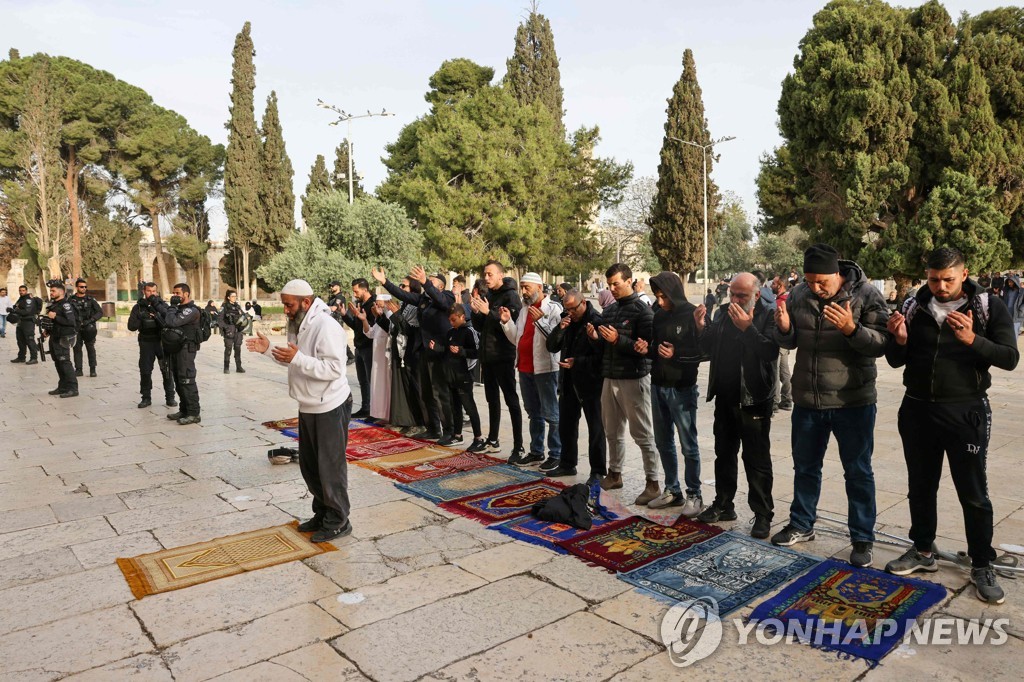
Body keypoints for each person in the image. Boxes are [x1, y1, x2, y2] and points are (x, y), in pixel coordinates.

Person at [884, 247, 1019, 604]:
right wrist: (898, 339)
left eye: (948, 279)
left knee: (973, 491)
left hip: (966, 412)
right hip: (916, 410)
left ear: (964, 274)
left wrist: (973, 339)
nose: (941, 286)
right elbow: (897, 360)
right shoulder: (914, 306)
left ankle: (981, 562)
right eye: (934, 279)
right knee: (920, 485)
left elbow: (1009, 358)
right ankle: (923, 549)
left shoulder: (988, 307)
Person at [770, 244, 890, 569]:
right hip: (809, 400)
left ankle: (862, 538)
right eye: (810, 281)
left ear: (838, 273)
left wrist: (852, 329)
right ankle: (802, 523)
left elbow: (882, 344)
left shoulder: (865, 295)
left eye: (822, 281)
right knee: (805, 467)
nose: (816, 288)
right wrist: (783, 329)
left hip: (853, 401)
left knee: (858, 471)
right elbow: (790, 341)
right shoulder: (798, 295)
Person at [246, 279, 354, 542]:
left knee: (330, 466)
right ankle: (323, 513)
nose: (285, 310)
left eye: (289, 305)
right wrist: (270, 349)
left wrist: (297, 358)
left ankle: (339, 520)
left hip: (329, 404)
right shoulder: (300, 322)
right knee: (310, 465)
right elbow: (295, 360)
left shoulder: (326, 325)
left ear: (306, 302)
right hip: (308, 405)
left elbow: (334, 369)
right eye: (284, 305)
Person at [696, 273, 779, 538]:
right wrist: (701, 328)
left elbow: (770, 351)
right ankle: (724, 504)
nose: (734, 299)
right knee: (724, 453)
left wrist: (748, 329)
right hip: (726, 396)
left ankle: (763, 514)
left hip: (754, 399)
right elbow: (708, 349)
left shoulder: (767, 314)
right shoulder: (722, 313)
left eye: (741, 295)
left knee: (756, 460)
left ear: (756, 294)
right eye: (732, 293)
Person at [588, 263, 660, 504]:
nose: (612, 289)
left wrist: (619, 340)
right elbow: (604, 348)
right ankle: (614, 473)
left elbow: (647, 351)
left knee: (642, 433)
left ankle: (652, 482)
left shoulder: (643, 312)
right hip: (610, 378)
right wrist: (596, 339)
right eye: (609, 285)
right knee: (612, 431)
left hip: (634, 379)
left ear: (629, 281)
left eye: (616, 284)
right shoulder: (609, 311)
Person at [636, 272, 705, 514]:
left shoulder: (692, 313)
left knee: (688, 445)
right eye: (657, 297)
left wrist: (676, 354)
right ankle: (672, 490)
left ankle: (694, 494)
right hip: (659, 386)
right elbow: (657, 348)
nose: (661, 301)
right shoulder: (659, 315)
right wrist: (647, 349)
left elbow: (703, 352)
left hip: (682, 388)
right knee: (663, 442)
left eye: (664, 296)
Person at [375, 266, 455, 441]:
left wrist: (426, 282)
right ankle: (433, 428)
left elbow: (442, 302)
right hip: (423, 350)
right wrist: (384, 282)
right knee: (426, 393)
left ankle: (450, 431)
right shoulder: (423, 299)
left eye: (430, 282)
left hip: (439, 351)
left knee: (440, 394)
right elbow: (403, 295)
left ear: (440, 286)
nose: (425, 283)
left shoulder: (448, 296)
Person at [500, 272, 562, 469]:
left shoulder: (553, 309)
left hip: (545, 369)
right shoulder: (525, 310)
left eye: (527, 288)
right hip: (525, 368)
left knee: (551, 413)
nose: (524, 292)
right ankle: (536, 451)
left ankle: (556, 453)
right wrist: (506, 322)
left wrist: (541, 321)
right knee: (533, 412)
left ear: (539, 288)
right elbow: (517, 339)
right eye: (522, 288)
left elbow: (556, 339)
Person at [545, 289, 606, 481]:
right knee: (567, 425)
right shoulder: (567, 320)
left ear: (584, 303)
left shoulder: (596, 321)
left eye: (573, 308)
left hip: (590, 383)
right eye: (567, 309)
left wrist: (577, 362)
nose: (570, 312)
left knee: (596, 428)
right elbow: (551, 346)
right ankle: (567, 463)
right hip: (569, 381)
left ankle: (597, 471)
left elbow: (602, 356)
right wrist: (560, 329)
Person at [470, 260, 524, 458]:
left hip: (503, 355)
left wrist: (489, 312)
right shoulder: (489, 295)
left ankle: (519, 446)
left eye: (490, 274)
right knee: (491, 399)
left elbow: (511, 324)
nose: (486, 278)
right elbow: (481, 326)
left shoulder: (511, 296)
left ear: (501, 275)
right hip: (488, 355)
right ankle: (493, 440)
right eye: (485, 274)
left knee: (511, 400)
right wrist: (477, 313)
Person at [436, 304, 485, 451]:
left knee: (469, 406)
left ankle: (479, 438)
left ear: (462, 317)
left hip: (465, 375)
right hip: (452, 375)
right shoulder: (451, 332)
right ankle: (457, 435)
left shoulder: (470, 331)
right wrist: (437, 347)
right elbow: (447, 350)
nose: (451, 323)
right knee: (455, 406)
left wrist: (462, 351)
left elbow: (477, 352)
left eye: (454, 319)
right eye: (450, 320)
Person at [154, 283, 203, 425]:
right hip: (176, 348)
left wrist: (172, 307)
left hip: (187, 348)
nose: (175, 296)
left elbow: (171, 322)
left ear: (186, 294)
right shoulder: (179, 309)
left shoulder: (191, 310)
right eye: (173, 293)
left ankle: (194, 413)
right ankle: (184, 410)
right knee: (177, 378)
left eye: (177, 293)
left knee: (186, 379)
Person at [127, 282, 176, 409]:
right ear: (144, 291)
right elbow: (131, 326)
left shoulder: (162, 305)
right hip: (146, 342)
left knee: (166, 370)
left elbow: (169, 320)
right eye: (149, 291)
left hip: (161, 342)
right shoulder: (138, 307)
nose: (152, 294)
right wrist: (141, 318)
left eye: (154, 291)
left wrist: (157, 312)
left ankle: (170, 397)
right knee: (145, 371)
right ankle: (146, 398)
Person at [342, 278, 377, 418]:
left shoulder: (373, 304)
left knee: (371, 380)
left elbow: (374, 328)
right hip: (359, 347)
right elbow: (357, 327)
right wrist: (345, 315)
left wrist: (363, 319)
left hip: (369, 347)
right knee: (363, 381)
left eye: (356, 291)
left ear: (365, 289)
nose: (355, 294)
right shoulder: (359, 303)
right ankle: (366, 407)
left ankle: (375, 410)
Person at [42, 280, 79, 398]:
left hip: (64, 338)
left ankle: (73, 388)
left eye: (53, 291)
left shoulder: (65, 305)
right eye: (50, 291)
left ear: (61, 292)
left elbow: (70, 322)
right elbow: (53, 322)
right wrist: (47, 331)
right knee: (58, 362)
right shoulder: (55, 304)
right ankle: (63, 386)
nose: (51, 293)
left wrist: (56, 316)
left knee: (65, 362)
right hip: (55, 337)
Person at [363, 295, 392, 423]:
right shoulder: (379, 319)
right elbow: (370, 333)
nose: (377, 307)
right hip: (377, 361)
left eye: (380, 305)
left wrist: (379, 317)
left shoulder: (390, 317)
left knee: (387, 387)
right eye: (377, 305)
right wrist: (364, 320)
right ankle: (382, 415)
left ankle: (390, 416)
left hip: (387, 360)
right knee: (378, 387)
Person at [68, 278, 102, 378]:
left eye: (85, 287)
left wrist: (90, 320)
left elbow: (100, 312)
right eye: (81, 287)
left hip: (89, 328)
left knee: (90, 348)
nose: (84, 288)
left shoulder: (90, 300)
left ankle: (93, 369)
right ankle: (78, 369)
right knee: (77, 348)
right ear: (77, 287)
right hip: (76, 328)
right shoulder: (71, 300)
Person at [771, 275, 793, 412]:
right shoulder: (790, 299)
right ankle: (787, 400)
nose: (771, 285)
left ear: (780, 286)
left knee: (774, 371)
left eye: (774, 283)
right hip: (785, 342)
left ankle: (774, 402)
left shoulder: (780, 303)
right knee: (784, 372)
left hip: (778, 341)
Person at [9, 285, 40, 364]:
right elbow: (16, 307)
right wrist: (12, 310)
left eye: (23, 290)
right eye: (20, 290)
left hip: (28, 322)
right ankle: (21, 357)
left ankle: (34, 358)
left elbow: (27, 311)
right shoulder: (21, 299)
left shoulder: (28, 299)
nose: (21, 292)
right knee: (20, 340)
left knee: (30, 340)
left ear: (26, 291)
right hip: (21, 322)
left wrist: (15, 310)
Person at [218, 290, 246, 374]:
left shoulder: (238, 306)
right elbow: (220, 319)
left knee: (238, 348)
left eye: (235, 296)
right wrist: (226, 328)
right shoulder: (224, 306)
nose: (234, 298)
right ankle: (226, 367)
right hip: (229, 330)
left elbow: (243, 316)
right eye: (233, 296)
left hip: (238, 330)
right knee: (228, 349)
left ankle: (239, 367)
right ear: (228, 297)